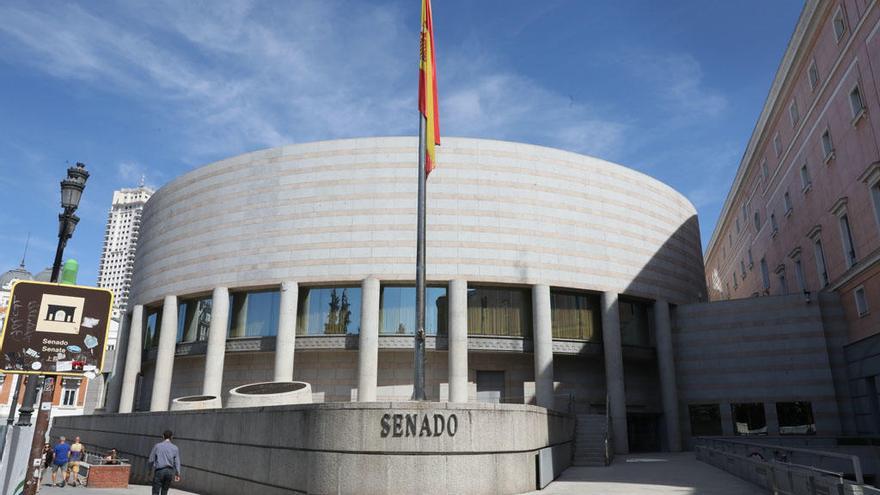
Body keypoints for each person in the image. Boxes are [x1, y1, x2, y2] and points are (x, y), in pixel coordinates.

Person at [148, 430, 181, 495]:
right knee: (165, 491)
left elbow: (151, 459)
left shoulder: (157, 446)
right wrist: (178, 473)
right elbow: (177, 462)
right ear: (172, 437)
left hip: (159, 471)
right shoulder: (175, 448)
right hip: (169, 471)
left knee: (155, 491)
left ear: (163, 436)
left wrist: (149, 470)